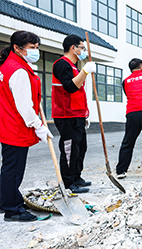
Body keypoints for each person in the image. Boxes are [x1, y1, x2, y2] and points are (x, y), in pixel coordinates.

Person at [0, 30, 54, 221]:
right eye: (32, 48)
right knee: (13, 169)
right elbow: (24, 106)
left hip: (6, 123)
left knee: (9, 167)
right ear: (17, 47)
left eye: (37, 47)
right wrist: (38, 125)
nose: (35, 51)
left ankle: (5, 200)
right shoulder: (19, 71)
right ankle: (12, 209)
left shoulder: (8, 65)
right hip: (15, 126)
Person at [52, 34, 96, 194]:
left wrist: (85, 114)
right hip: (66, 114)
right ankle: (68, 183)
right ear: (73, 48)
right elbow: (70, 87)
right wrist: (85, 71)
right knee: (70, 150)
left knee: (81, 148)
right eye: (82, 48)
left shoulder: (73, 66)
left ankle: (77, 177)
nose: (83, 51)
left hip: (77, 114)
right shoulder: (62, 65)